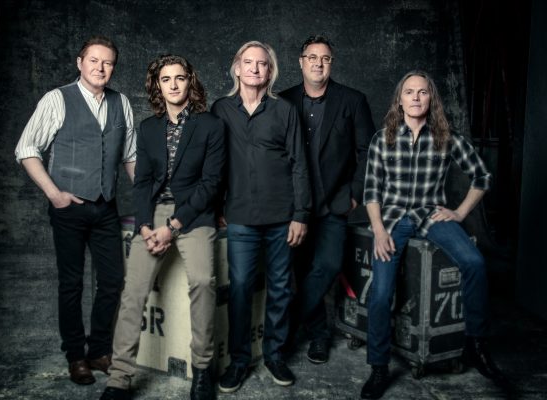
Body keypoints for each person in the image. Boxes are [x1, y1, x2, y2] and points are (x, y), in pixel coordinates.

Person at [361, 70, 507, 399]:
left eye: (422, 92)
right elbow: (371, 192)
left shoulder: (446, 137)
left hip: (432, 215)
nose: (415, 97)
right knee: (381, 293)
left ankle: (476, 345)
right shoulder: (383, 138)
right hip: (394, 218)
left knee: (475, 263)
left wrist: (460, 213)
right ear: (399, 100)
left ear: (431, 99)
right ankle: (379, 366)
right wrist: (379, 231)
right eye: (409, 92)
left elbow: (482, 177)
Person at [99, 54, 225, 400]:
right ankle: (119, 377)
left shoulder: (210, 125)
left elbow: (211, 184)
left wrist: (174, 225)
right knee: (133, 291)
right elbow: (141, 183)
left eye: (179, 78)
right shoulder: (148, 128)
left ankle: (202, 368)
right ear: (157, 85)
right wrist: (143, 226)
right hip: (153, 213)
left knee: (203, 281)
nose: (173, 85)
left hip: (194, 214)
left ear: (190, 81)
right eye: (165, 79)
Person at [14, 35, 136, 385]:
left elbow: (130, 156)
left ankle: (98, 350)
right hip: (68, 208)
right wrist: (54, 194)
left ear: (113, 68)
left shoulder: (121, 102)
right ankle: (75, 356)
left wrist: (148, 197)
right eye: (94, 60)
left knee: (112, 281)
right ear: (80, 63)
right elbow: (26, 148)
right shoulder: (57, 98)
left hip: (106, 207)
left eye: (108, 62)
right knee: (71, 283)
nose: (100, 67)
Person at [211, 41, 311, 392]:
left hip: (282, 216)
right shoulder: (221, 109)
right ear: (237, 68)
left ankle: (275, 355)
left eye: (262, 63)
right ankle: (239, 361)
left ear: (270, 72)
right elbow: (214, 163)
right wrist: (216, 207)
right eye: (248, 62)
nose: (255, 68)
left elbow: (300, 164)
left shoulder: (284, 110)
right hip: (239, 216)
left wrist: (301, 214)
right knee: (240, 288)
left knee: (281, 287)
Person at [279, 35, 375, 364]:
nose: (318, 63)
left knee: (329, 265)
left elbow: (368, 152)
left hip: (335, 201)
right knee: (303, 270)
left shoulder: (353, 100)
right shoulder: (283, 100)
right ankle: (319, 335)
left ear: (331, 63)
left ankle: (285, 324)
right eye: (312, 57)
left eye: (325, 58)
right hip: (295, 205)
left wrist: (355, 194)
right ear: (301, 62)